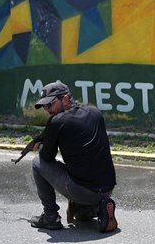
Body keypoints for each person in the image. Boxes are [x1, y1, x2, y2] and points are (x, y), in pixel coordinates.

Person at [28, 80, 118, 233]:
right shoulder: (95, 112)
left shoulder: (56, 121)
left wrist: (41, 146)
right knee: (80, 216)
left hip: (82, 190)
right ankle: (99, 208)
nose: (47, 110)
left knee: (37, 162)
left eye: (50, 104)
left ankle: (50, 217)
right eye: (44, 106)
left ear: (65, 99)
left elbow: (47, 158)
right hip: (107, 187)